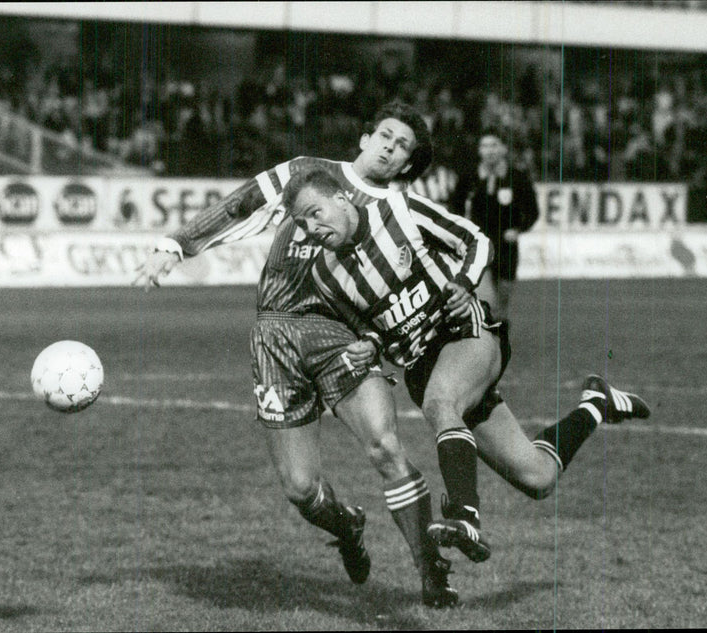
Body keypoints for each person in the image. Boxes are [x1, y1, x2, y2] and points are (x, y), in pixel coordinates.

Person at [134, 100, 457, 608]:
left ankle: (431, 571)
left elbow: (417, 292)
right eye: (386, 137)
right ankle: (347, 525)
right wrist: (176, 245)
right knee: (301, 489)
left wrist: (385, 337)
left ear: (408, 164)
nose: (391, 150)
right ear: (365, 137)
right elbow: (241, 205)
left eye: (403, 149)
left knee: (386, 447)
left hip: (342, 336)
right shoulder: (308, 173)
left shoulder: (400, 214)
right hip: (275, 334)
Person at [281, 167, 652, 566]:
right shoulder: (324, 274)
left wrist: (462, 283)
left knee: (441, 404)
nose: (312, 227)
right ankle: (597, 403)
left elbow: (475, 240)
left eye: (315, 212)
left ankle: (463, 515)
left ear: (340, 198)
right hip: (421, 367)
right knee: (538, 477)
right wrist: (367, 347)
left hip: (463, 333)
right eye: (302, 223)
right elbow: (370, 329)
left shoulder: (401, 211)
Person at [450, 127, 540, 323]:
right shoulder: (469, 178)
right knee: (486, 300)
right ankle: (487, 340)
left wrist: (518, 229)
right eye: (485, 146)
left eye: (494, 145)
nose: (489, 150)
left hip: (506, 248)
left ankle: (500, 343)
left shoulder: (516, 178)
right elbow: (453, 209)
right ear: (479, 150)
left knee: (501, 306)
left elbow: (533, 212)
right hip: (478, 246)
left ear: (503, 149)